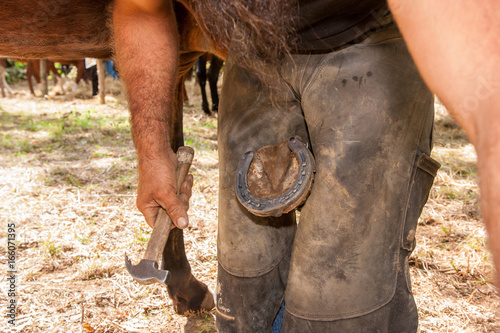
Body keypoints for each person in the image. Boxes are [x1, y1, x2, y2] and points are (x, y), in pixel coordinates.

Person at [113, 0, 500, 332]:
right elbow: (142, 8)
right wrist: (151, 153)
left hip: (370, 34)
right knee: (245, 290)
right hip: (252, 45)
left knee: (339, 296)